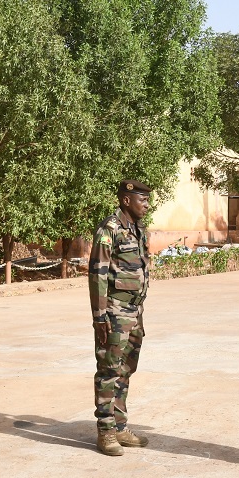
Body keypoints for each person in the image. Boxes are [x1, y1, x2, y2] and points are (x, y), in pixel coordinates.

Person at [88, 179, 152, 456]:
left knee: (126, 370)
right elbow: (97, 274)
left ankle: (120, 426)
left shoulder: (138, 230)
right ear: (126, 200)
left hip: (134, 311)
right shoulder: (109, 229)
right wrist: (99, 317)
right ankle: (105, 432)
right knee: (108, 370)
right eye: (143, 199)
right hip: (113, 311)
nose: (147, 205)